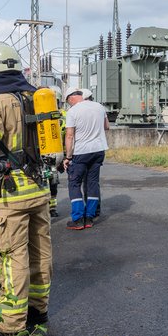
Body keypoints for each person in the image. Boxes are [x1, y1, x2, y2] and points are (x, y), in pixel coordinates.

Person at [0, 42, 53, 336]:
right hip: (38, 190)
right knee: (40, 252)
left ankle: (10, 326)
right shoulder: (34, 96)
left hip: (9, 196)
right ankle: (38, 312)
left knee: (12, 258)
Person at [62, 87, 109, 230]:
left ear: (70, 98)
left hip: (81, 152)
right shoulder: (99, 107)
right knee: (93, 183)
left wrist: (68, 157)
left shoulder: (73, 111)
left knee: (74, 183)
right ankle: (89, 218)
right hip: (99, 150)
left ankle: (77, 219)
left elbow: (69, 136)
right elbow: (107, 126)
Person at [48, 85, 65, 218]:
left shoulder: (39, 113)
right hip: (56, 154)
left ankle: (46, 208)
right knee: (53, 182)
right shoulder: (62, 115)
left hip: (42, 155)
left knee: (44, 182)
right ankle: (52, 208)